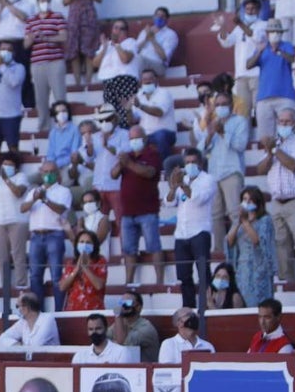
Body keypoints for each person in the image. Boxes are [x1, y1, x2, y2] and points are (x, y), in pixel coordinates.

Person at [256, 106, 295, 282]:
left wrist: (274, 150)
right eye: (280, 121)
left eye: (287, 121)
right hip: (277, 200)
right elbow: (260, 170)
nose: (283, 124)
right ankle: (286, 279)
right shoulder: (274, 145)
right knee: (281, 243)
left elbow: (293, 165)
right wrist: (270, 153)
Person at [112, 126, 162, 286]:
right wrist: (122, 163)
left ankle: (159, 281)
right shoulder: (127, 156)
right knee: (128, 250)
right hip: (127, 212)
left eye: (136, 138)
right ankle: (129, 282)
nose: (134, 141)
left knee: (153, 246)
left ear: (144, 138)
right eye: (131, 138)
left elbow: (149, 172)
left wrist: (129, 163)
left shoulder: (152, 154)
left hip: (147, 210)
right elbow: (113, 174)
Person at [166, 148, 214, 309]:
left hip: (200, 231)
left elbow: (199, 199)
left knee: (203, 274)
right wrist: (173, 187)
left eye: (193, 162)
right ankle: (188, 308)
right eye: (187, 162)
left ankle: (205, 307)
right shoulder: (182, 179)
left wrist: (183, 185)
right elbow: (169, 202)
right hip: (181, 233)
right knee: (184, 276)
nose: (190, 165)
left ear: (200, 163)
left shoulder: (208, 180)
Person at [201, 91, 249, 252]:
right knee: (215, 215)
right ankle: (219, 250)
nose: (220, 107)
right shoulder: (212, 123)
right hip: (214, 172)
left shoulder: (240, 121)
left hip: (232, 171)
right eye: (218, 105)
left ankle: (239, 246)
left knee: (235, 212)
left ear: (231, 106)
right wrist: (210, 134)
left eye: (224, 104)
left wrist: (222, 132)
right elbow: (202, 149)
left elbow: (240, 145)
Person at [21, 159, 70, 311]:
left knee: (56, 276)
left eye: (51, 171)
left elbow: (61, 209)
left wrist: (45, 199)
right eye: (45, 171)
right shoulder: (34, 192)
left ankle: (59, 311)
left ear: (56, 173)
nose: (48, 174)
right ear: (41, 173)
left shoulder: (63, 191)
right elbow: (23, 208)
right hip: (36, 236)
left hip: (54, 234)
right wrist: (35, 198)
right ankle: (38, 312)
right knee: (35, 276)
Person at [25, 0, 68, 133]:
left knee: (59, 95)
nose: (45, 3)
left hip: (55, 61)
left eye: (47, 0)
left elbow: (63, 37)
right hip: (37, 63)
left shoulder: (57, 17)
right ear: (38, 3)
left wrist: (47, 38)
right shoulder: (31, 20)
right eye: (42, 1)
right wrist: (31, 39)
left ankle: (64, 123)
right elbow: (25, 44)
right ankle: (43, 126)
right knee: (40, 98)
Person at [219, 0, 268, 121]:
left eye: (253, 9)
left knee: (260, 109)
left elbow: (257, 38)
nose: (250, 12)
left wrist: (240, 23)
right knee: (242, 112)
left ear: (258, 10)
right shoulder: (238, 29)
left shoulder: (263, 25)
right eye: (247, 9)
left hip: (257, 73)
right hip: (241, 74)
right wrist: (223, 27)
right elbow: (226, 43)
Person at [225, 186, 274, 308]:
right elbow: (229, 242)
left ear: (257, 203)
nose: (246, 203)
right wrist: (238, 222)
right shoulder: (239, 221)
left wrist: (246, 222)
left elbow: (257, 241)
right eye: (244, 199)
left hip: (258, 269)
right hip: (242, 269)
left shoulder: (265, 220)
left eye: (250, 200)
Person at [0, 152, 29, 289]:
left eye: (10, 165)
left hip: (17, 221)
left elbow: (18, 192)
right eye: (5, 164)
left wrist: (7, 180)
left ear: (16, 168)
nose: (7, 167)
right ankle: (5, 286)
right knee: (2, 257)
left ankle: (21, 284)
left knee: (18, 255)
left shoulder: (21, 177)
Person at [248, 19, 295, 137]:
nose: (275, 34)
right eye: (272, 31)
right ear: (267, 33)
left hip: (285, 95)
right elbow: (248, 65)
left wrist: (279, 51)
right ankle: (269, 154)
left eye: (277, 31)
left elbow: (291, 59)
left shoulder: (287, 46)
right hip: (264, 96)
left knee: (288, 133)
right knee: (265, 136)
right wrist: (259, 52)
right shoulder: (262, 48)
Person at [63, 0, 101, 89]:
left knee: (88, 49)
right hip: (73, 17)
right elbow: (64, 1)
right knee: (74, 50)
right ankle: (78, 82)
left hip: (88, 15)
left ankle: (89, 81)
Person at [59, 229, 107, 312]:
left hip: (94, 310)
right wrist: (76, 270)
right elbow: (62, 287)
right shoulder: (71, 263)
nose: (84, 244)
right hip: (73, 310)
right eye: (81, 242)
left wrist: (85, 268)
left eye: (88, 242)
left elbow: (99, 286)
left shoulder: (100, 261)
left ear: (94, 245)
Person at [134, 69, 176, 162]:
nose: (147, 81)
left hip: (166, 133)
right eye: (144, 79)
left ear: (156, 80)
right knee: (132, 137)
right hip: (146, 135)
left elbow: (159, 112)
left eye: (150, 78)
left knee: (160, 136)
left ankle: (165, 168)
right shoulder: (138, 95)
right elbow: (132, 120)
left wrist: (140, 106)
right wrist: (128, 110)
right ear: (140, 82)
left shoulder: (164, 93)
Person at [110, 290, 159, 363]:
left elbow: (122, 343)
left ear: (138, 307)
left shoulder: (146, 328)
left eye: (127, 303)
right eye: (121, 303)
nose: (123, 306)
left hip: (144, 370)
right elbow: (104, 340)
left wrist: (118, 315)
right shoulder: (120, 323)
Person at [135, 7, 178, 77]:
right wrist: (146, 38)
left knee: (139, 60)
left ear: (167, 19)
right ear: (153, 17)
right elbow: (135, 50)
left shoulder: (171, 34)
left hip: (158, 66)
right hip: (142, 62)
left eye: (162, 16)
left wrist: (152, 39)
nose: (159, 18)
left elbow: (164, 57)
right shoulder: (145, 31)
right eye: (157, 15)